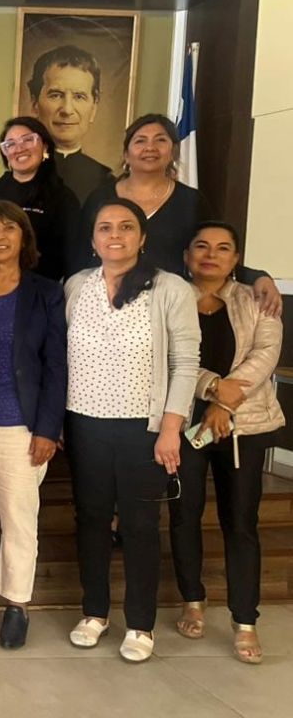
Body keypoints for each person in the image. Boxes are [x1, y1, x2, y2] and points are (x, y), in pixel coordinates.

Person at [64, 198, 200, 663]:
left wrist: (171, 428)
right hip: (84, 423)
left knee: (141, 525)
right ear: (93, 239)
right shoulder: (76, 286)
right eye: (105, 227)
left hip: (145, 428)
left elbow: (186, 363)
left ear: (142, 238)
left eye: (126, 227)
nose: (115, 235)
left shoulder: (170, 288)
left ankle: (141, 623)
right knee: (92, 520)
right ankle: (94, 612)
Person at [169, 221, 283, 664]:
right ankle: (192, 599)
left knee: (241, 522)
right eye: (201, 246)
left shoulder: (257, 298)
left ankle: (245, 620)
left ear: (236, 259)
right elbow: (168, 357)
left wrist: (224, 403)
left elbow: (266, 353)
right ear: (186, 255)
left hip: (244, 426)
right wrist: (213, 389)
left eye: (222, 248)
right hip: (184, 422)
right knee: (185, 515)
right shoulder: (170, 298)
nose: (210, 255)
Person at [0, 201, 67, 649]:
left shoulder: (46, 292)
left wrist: (48, 428)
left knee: (19, 518)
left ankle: (17, 604)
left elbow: (56, 365)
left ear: (24, 237)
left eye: (9, 228)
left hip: (21, 424)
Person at [74, 114, 283, 318]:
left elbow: (211, 252)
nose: (150, 147)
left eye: (160, 140)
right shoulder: (99, 198)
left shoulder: (191, 201)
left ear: (173, 152)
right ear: (126, 154)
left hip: (170, 310)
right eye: (140, 140)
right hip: (103, 308)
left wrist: (257, 277)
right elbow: (78, 256)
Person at [0, 117, 80, 281]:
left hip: (39, 287)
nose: (19, 149)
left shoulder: (63, 198)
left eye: (27, 140)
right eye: (10, 144)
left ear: (45, 146)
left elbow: (68, 258)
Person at [26, 45, 114, 203]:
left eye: (79, 97)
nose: (67, 110)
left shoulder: (108, 184)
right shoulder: (18, 171)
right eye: (56, 95)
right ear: (34, 104)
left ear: (94, 107)